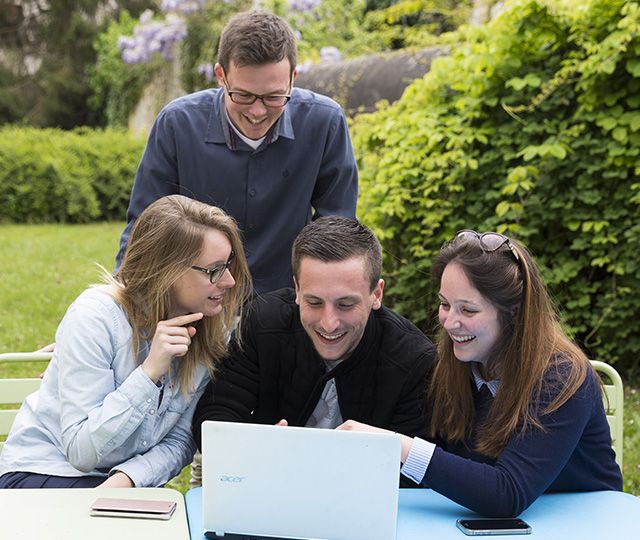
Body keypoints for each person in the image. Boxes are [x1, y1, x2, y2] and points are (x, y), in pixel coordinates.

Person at [338, 230, 623, 516]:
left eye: (468, 310)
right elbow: (445, 472)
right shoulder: (453, 366)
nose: (450, 323)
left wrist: (398, 445)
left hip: (586, 523)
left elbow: (506, 494)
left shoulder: (562, 378)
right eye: (445, 304)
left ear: (514, 312)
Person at [0, 195, 251, 489]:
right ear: (166, 270)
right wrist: (148, 374)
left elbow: (182, 438)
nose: (230, 281)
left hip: (121, 487)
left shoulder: (212, 331)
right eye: (214, 270)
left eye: (229, 264)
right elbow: (81, 451)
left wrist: (129, 479)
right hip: (46, 472)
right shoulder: (95, 317)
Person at [116, 10, 358, 295]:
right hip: (194, 302)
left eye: (274, 97)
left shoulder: (325, 122)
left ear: (293, 77)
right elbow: (145, 228)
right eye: (243, 95)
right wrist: (119, 306)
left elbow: (336, 228)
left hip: (284, 304)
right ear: (221, 76)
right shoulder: (177, 124)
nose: (257, 112)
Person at [192, 216, 435, 453]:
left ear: (377, 294)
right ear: (297, 289)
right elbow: (214, 419)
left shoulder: (414, 361)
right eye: (314, 302)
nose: (329, 324)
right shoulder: (264, 324)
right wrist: (256, 449)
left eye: (346, 305)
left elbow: (414, 471)